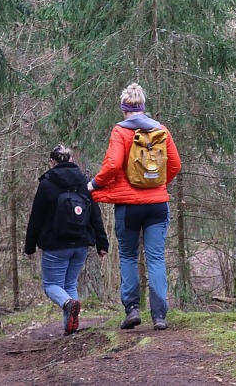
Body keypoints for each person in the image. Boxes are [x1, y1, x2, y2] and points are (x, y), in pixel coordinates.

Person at [87, 83, 181, 331]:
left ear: (124, 108)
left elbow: (113, 164)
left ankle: (132, 311)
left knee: (128, 255)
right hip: (158, 204)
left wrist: (95, 184)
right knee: (156, 258)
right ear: (143, 107)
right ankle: (159, 316)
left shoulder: (120, 131)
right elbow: (175, 165)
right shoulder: (161, 130)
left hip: (128, 206)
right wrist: (159, 184)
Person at [25, 144, 109, 335]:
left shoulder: (46, 184)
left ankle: (67, 303)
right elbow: (94, 214)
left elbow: (36, 218)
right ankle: (70, 328)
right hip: (80, 244)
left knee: (51, 286)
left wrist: (30, 246)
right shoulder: (83, 182)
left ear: (52, 162)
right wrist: (101, 243)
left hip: (55, 245)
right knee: (70, 284)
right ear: (72, 160)